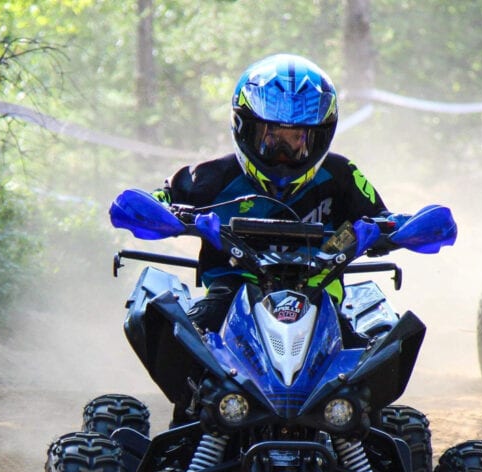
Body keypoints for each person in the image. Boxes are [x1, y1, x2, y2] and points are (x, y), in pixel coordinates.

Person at [152, 53, 402, 334]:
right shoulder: (209, 177)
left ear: (321, 136)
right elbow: (153, 202)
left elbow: (386, 220)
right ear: (243, 128)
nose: (283, 153)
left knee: (363, 350)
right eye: (272, 137)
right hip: (233, 290)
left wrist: (407, 229)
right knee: (188, 332)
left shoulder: (341, 174)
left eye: (297, 139)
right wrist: (159, 215)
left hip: (321, 294)